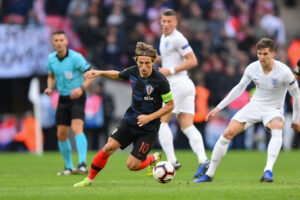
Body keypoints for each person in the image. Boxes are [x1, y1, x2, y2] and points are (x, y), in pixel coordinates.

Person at [194, 38, 300, 183]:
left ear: (273, 54)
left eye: (265, 54)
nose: (261, 57)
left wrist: (295, 120)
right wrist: (219, 107)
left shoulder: (284, 71)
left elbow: (296, 94)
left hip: (274, 109)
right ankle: (209, 174)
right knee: (227, 133)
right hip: (254, 106)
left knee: (277, 127)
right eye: (259, 54)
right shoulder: (252, 68)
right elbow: (239, 88)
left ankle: (268, 171)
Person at [73, 42, 174, 187]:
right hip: (130, 120)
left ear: (153, 62)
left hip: (148, 128)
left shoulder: (161, 81)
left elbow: (170, 105)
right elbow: (117, 75)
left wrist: (149, 118)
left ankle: (153, 159)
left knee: (132, 165)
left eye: (147, 63)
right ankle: (89, 180)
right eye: (141, 63)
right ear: (136, 62)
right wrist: (99, 72)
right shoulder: (133, 71)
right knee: (108, 147)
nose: (144, 67)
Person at [155, 9, 208, 177]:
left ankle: (172, 161)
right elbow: (170, 58)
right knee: (187, 125)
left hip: (177, 84)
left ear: (175, 23)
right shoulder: (164, 38)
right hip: (184, 84)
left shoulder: (178, 38)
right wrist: (155, 59)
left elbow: (192, 61)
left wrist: (169, 70)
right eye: (163, 21)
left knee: (161, 121)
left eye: (169, 21)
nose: (166, 24)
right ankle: (203, 160)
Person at [44, 30, 94, 175]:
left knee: (77, 127)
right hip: (63, 97)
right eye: (56, 40)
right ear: (53, 43)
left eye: (61, 40)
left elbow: (91, 75)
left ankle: (83, 164)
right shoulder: (51, 59)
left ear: (66, 42)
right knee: (61, 133)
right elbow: (51, 76)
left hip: (78, 96)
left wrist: (81, 88)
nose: (59, 43)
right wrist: (50, 87)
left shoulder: (76, 57)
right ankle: (68, 167)